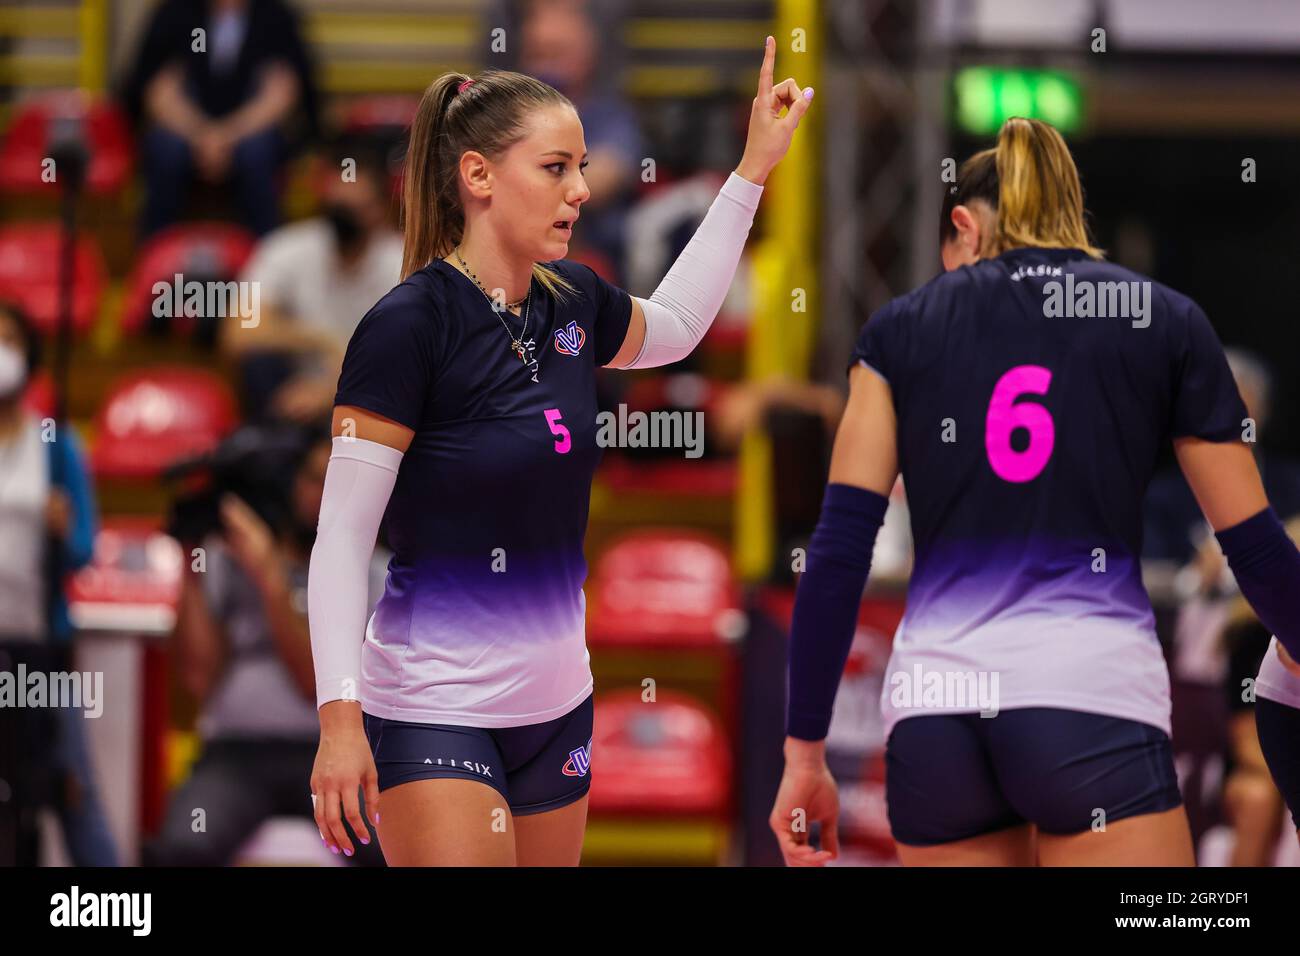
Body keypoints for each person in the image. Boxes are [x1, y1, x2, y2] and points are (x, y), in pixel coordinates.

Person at [308, 42, 811, 866]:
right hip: (435, 706)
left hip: (556, 708)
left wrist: (753, 168)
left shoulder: (574, 298)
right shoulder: (407, 327)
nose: (581, 188)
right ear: (478, 177)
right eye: (554, 167)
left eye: (581, 166)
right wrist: (339, 719)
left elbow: (678, 327)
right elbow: (341, 543)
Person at [771, 117, 1300, 866]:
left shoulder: (897, 332)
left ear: (964, 228)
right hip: (1089, 701)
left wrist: (803, 755)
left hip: (937, 716)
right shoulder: (1162, 318)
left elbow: (836, 554)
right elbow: (1253, 544)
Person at [144, 425, 386, 866]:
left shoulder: (373, 571)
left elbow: (313, 681)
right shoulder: (226, 559)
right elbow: (200, 678)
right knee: (182, 846)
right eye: (311, 478)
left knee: (387, 851)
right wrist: (191, 566)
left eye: (333, 480)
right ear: (287, 482)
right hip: (236, 755)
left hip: (332, 753)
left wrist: (271, 577)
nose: (321, 493)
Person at [0, 300, 117, 867]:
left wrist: (62, 529)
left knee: (70, 786)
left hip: (40, 650)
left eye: (10, 341)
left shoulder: (55, 447)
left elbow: (83, 551)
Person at [220, 137, 403, 424]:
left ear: (380, 207)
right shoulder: (284, 248)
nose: (345, 218)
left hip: (373, 404)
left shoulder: (404, 262)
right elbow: (239, 331)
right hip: (294, 403)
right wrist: (321, 340)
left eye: (356, 208)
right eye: (338, 207)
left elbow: (410, 358)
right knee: (259, 366)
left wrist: (332, 391)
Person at [119, 0, 319, 237]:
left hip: (251, 130)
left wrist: (226, 136)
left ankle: (266, 256)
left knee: (258, 152)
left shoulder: (275, 16)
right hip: (184, 128)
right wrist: (201, 135)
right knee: (165, 150)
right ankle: (155, 254)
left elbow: (282, 92)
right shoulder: (174, 13)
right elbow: (157, 90)